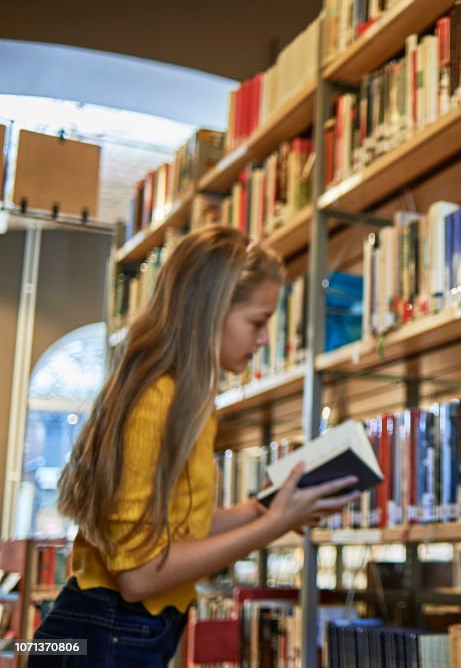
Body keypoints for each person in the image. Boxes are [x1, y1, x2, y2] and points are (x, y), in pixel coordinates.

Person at [31, 226, 358, 667]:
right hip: (96, 637)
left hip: (113, 633)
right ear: (210, 311)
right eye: (258, 322)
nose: (264, 339)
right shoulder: (156, 403)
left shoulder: (191, 403)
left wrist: (263, 508)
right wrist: (272, 525)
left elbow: (175, 529)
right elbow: (138, 575)